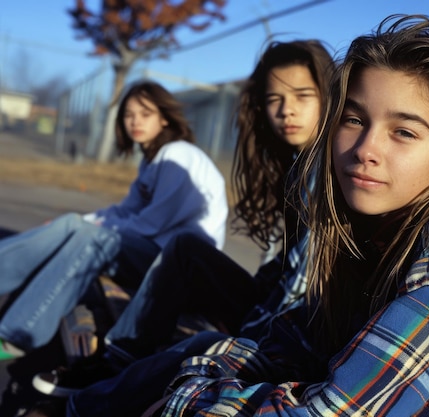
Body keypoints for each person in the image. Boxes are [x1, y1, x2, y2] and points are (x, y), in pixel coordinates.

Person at [153, 14, 429, 416]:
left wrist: (191, 391)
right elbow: (299, 339)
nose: (365, 150)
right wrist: (212, 369)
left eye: (404, 132)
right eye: (354, 120)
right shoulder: (371, 228)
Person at [29, 39, 335, 409]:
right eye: (275, 99)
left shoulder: (329, 168)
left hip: (299, 327)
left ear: (329, 96)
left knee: (196, 343)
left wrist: (242, 336)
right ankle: (117, 360)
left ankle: (93, 393)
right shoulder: (296, 168)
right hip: (274, 305)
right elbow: (283, 268)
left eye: (303, 96)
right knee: (186, 249)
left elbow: (301, 288)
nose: (287, 110)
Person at [0, 80, 228, 361]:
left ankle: (19, 335)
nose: (135, 121)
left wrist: (91, 228)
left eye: (145, 114)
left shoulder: (179, 154)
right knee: (73, 223)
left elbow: (150, 224)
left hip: (176, 267)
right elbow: (123, 211)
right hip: (150, 250)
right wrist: (77, 222)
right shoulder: (152, 160)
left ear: (165, 117)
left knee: (92, 238)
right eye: (129, 114)